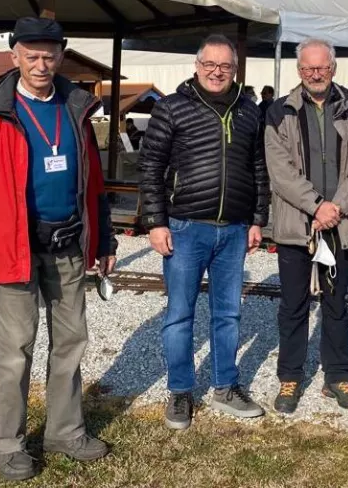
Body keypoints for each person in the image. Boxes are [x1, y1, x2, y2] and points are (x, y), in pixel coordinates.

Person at [0, 17, 117, 482]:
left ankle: (65, 431)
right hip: (11, 250)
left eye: (49, 55)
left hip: (67, 246)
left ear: (61, 56)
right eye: (32, 55)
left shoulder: (76, 108)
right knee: (14, 351)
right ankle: (10, 443)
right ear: (15, 56)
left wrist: (104, 239)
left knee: (71, 343)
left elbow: (94, 184)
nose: (41, 64)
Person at [139, 34, 269, 431]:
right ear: (197, 67)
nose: (217, 72)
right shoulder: (172, 107)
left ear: (235, 70)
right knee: (180, 314)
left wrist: (257, 219)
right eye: (209, 65)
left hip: (234, 230)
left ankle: (225, 386)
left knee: (228, 314)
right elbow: (151, 166)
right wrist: (156, 221)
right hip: (185, 227)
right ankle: (180, 390)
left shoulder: (249, 111)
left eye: (225, 66)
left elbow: (259, 167)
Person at [265, 38, 348, 414]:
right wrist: (316, 206)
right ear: (299, 71)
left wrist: (336, 207)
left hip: (335, 226)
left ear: (333, 68)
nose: (316, 74)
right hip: (297, 225)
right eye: (309, 68)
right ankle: (290, 376)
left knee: (335, 302)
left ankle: (337, 375)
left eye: (322, 67)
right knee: (293, 305)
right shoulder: (280, 111)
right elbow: (279, 170)